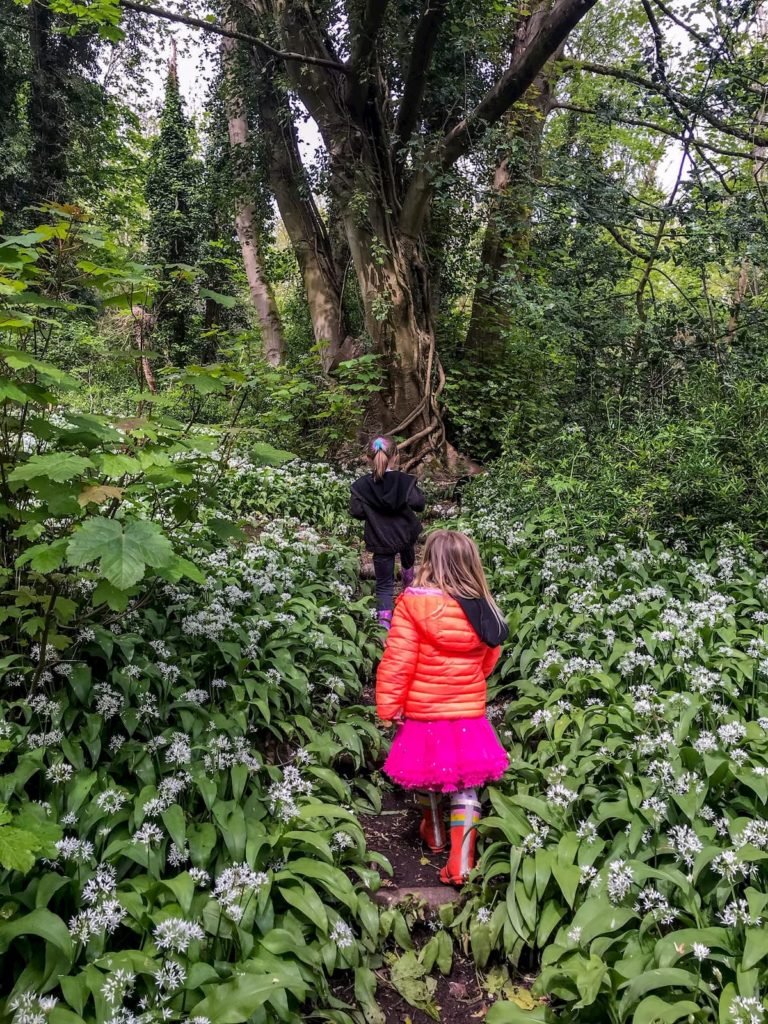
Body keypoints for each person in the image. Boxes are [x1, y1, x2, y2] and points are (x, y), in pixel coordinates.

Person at [375, 529, 509, 885]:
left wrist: (389, 705)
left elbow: (398, 660)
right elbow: (490, 655)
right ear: (471, 564)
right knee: (466, 784)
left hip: (423, 710)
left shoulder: (413, 604)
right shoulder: (484, 608)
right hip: (467, 710)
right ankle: (462, 860)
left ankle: (433, 834)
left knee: (424, 770)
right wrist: (471, 679)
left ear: (429, 561)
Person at [350, 436, 425, 630]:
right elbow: (419, 504)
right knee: (408, 557)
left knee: (383, 585)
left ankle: (384, 626)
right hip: (404, 534)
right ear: (396, 457)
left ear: (368, 458)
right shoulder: (404, 481)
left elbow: (356, 512)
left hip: (379, 538)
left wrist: (371, 509)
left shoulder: (361, 485)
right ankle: (408, 587)